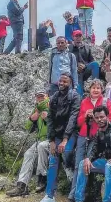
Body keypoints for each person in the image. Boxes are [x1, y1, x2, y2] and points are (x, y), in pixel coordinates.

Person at [68, 79, 111, 202]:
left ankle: (84, 194)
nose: (95, 90)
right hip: (83, 135)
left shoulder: (106, 102)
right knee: (78, 164)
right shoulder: (84, 102)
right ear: (89, 89)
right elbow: (78, 123)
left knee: (87, 163)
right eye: (93, 87)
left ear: (102, 90)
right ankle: (74, 195)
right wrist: (85, 116)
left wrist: (97, 119)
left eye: (98, 88)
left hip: (97, 137)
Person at [41, 73, 81, 202]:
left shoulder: (75, 96)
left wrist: (65, 140)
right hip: (57, 134)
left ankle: (69, 166)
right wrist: (52, 141)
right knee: (53, 160)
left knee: (67, 151)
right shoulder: (54, 97)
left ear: (70, 83)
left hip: (71, 133)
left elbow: (73, 118)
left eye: (65, 81)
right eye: (61, 81)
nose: (62, 83)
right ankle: (49, 195)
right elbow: (50, 119)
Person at [6, 91, 50, 197]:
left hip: (51, 139)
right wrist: (31, 118)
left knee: (41, 147)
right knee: (28, 154)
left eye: (42, 96)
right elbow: (28, 128)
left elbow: (57, 124)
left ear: (47, 96)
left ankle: (42, 178)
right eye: (38, 97)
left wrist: (47, 118)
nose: (40, 99)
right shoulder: (37, 109)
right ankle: (22, 185)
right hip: (39, 139)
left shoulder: (51, 106)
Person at [69, 30, 100, 96]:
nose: (78, 38)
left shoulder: (86, 47)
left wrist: (85, 66)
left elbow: (91, 60)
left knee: (95, 64)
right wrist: (76, 66)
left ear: (82, 37)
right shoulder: (69, 48)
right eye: (76, 36)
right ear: (73, 37)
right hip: (76, 73)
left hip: (85, 70)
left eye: (79, 36)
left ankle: (95, 84)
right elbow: (67, 62)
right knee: (79, 92)